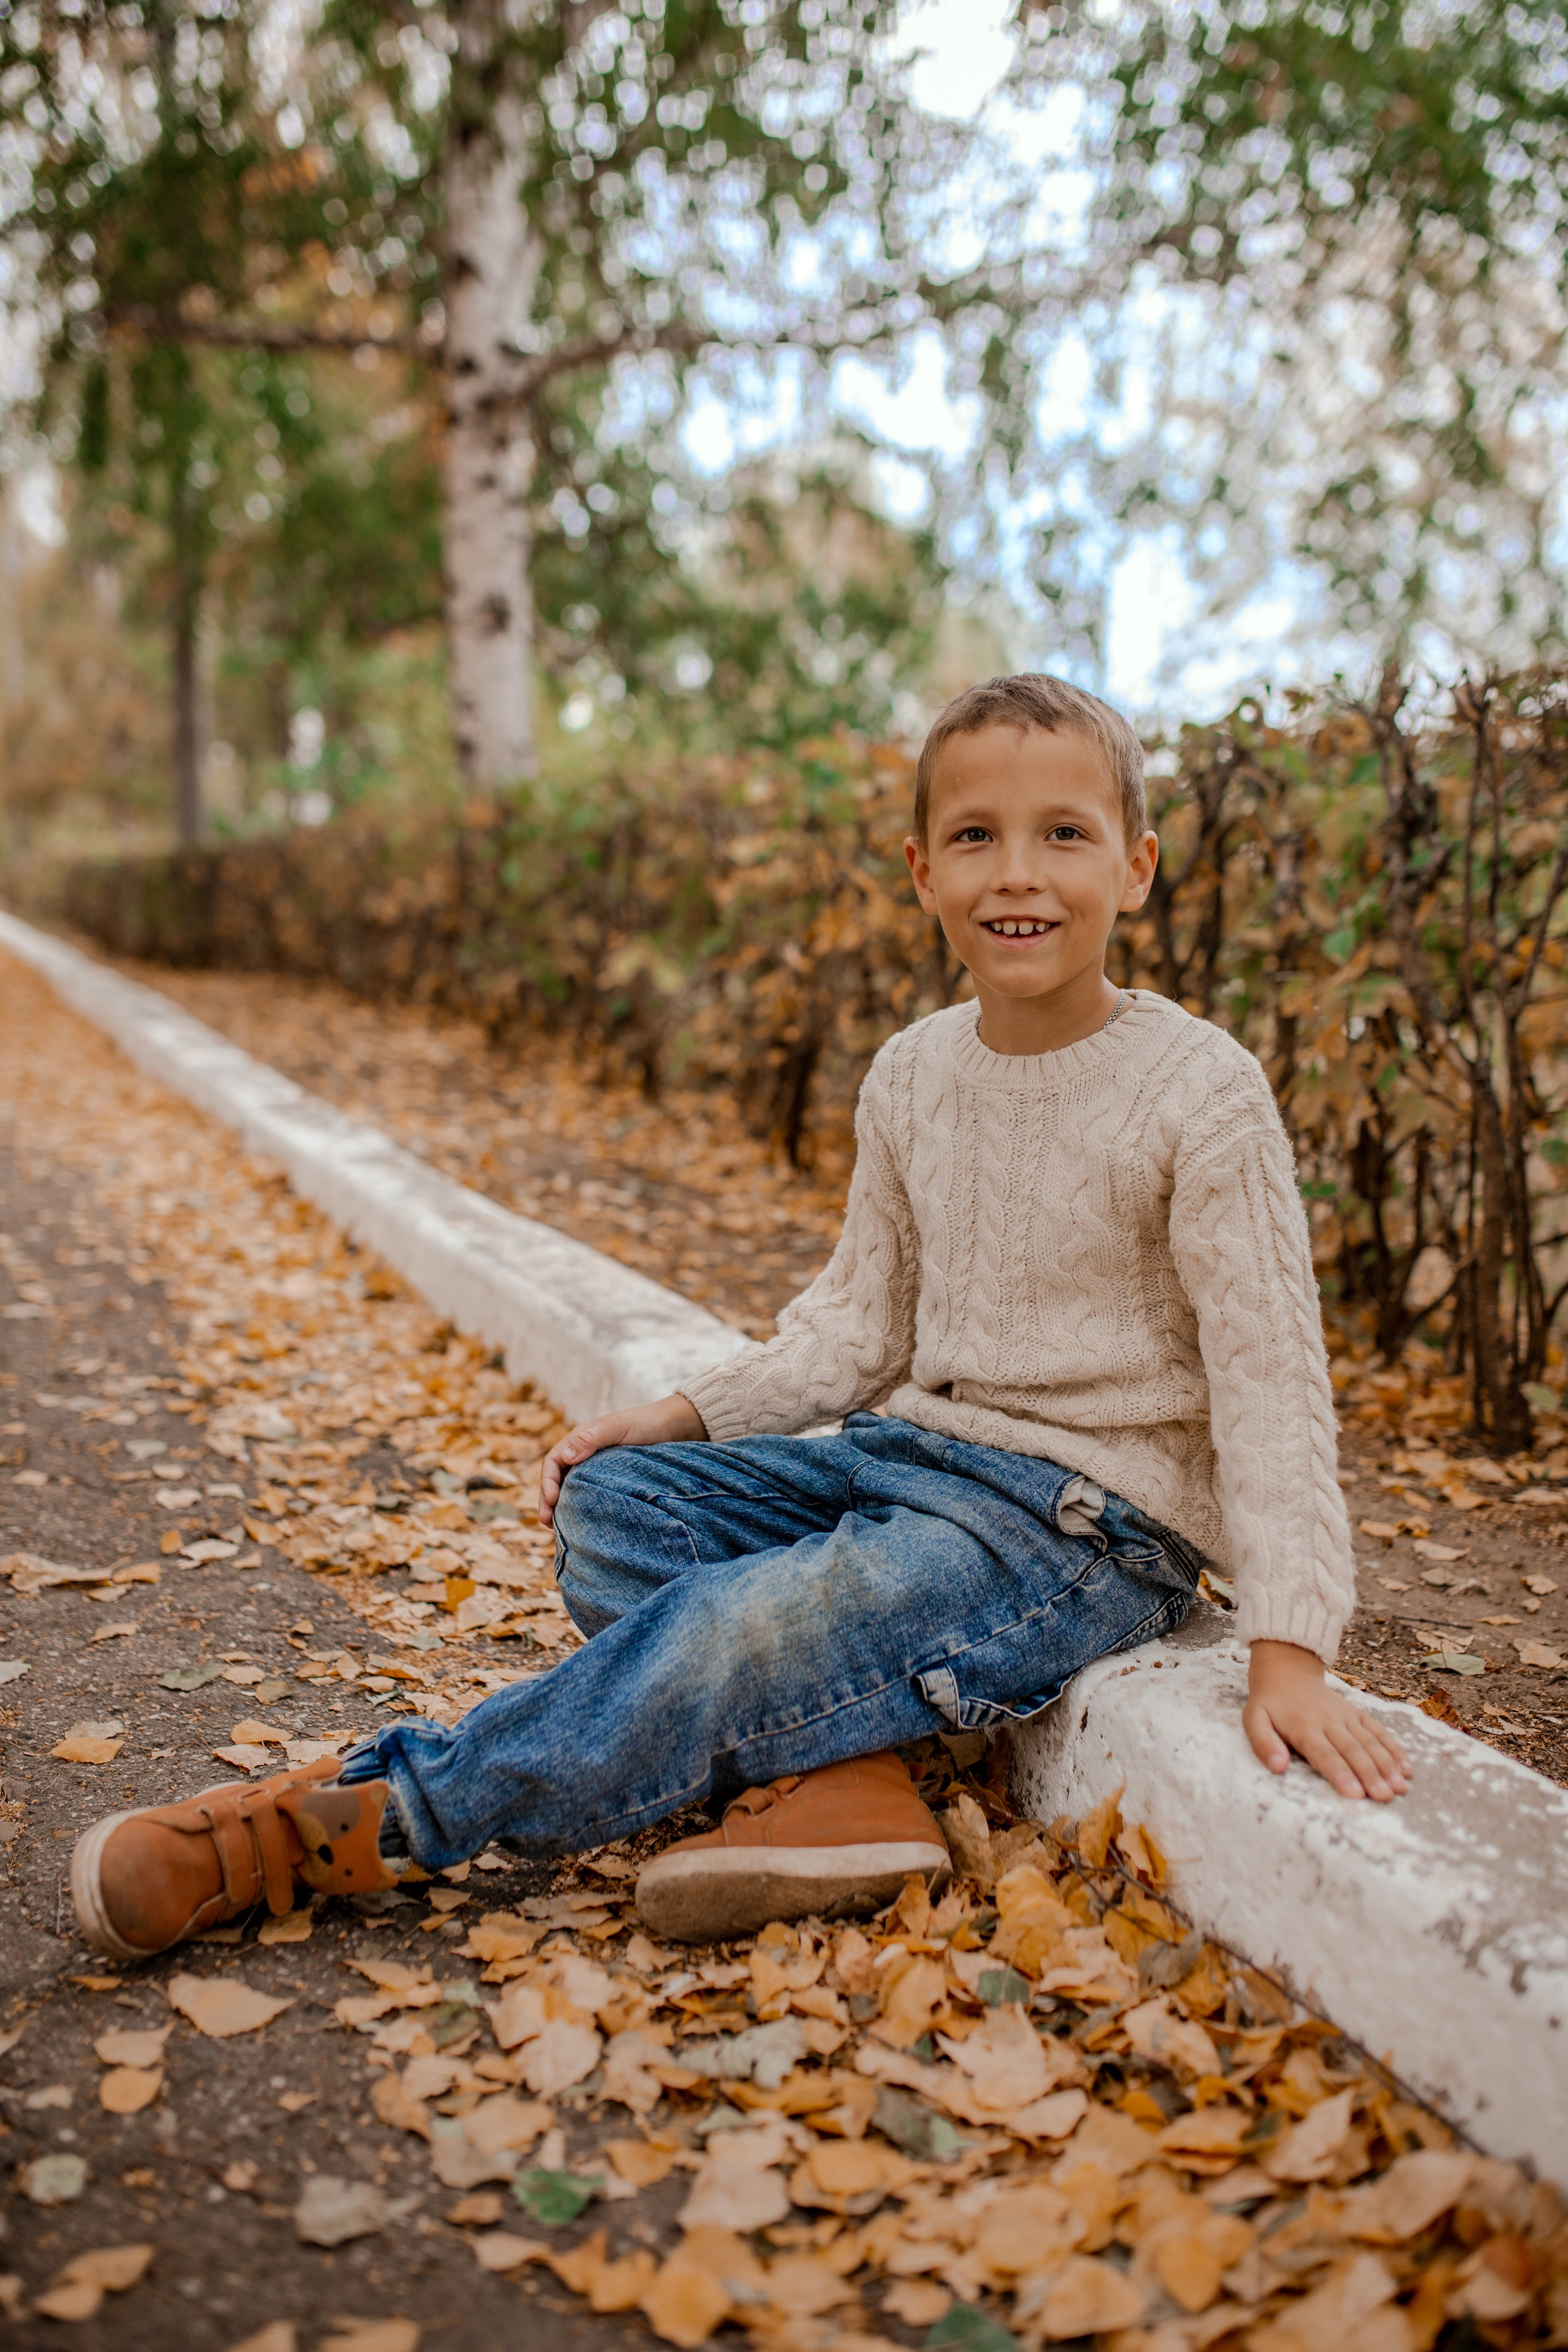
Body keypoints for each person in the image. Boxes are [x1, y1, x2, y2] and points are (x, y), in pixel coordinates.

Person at [70, 673, 1409, 1962]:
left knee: (734, 1629)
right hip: (908, 1467)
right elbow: (853, 1328)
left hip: (1071, 1530)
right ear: (920, 873)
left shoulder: (1197, 1088)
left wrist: (1287, 1648)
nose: (1016, 872)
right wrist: (674, 1418)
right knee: (619, 1509)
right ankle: (854, 1769)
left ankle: (363, 1818)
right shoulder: (911, 1075)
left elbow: (1270, 1380)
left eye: (1064, 834)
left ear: (1135, 868)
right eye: (974, 837)